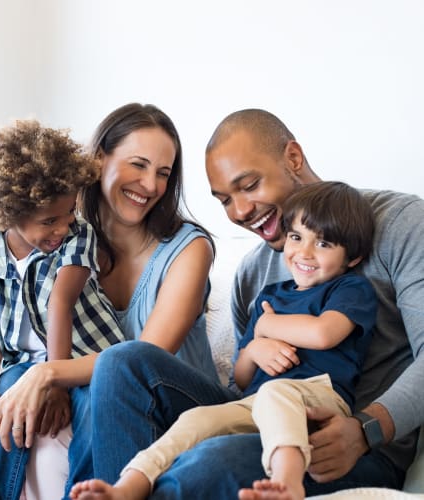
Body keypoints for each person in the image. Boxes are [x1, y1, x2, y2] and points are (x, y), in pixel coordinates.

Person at [85, 109, 424, 498]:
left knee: (209, 462)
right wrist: (254, 348)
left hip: (350, 443)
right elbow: (243, 385)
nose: (240, 212)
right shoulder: (253, 273)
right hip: (260, 413)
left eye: (249, 185)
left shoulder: (400, 223)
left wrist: (367, 429)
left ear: (293, 159)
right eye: (225, 200)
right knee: (123, 361)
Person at [0, 103, 218, 499]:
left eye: (163, 173)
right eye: (138, 164)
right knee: (16, 392)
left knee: (116, 370)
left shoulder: (188, 249)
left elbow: (144, 359)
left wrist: (48, 374)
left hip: (176, 401)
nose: (151, 185)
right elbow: (17, 331)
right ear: (99, 158)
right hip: (100, 387)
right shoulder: (60, 237)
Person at [69, 181, 377, 500]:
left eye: (324, 244)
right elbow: (242, 378)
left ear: (352, 258)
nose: (304, 253)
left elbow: (323, 333)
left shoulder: (349, 289)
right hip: (255, 402)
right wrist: (256, 346)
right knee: (196, 419)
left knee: (276, 391)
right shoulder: (270, 297)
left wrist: (268, 326)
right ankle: (128, 486)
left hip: (319, 398)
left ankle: (288, 482)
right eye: (297, 237)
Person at [0, 118, 125, 499]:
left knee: (92, 409)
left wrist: (54, 380)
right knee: (5, 402)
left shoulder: (76, 235)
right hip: (22, 365)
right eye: (49, 220)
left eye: (69, 212)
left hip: (88, 358)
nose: (63, 226)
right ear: (8, 214)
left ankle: (85, 493)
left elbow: (60, 303)